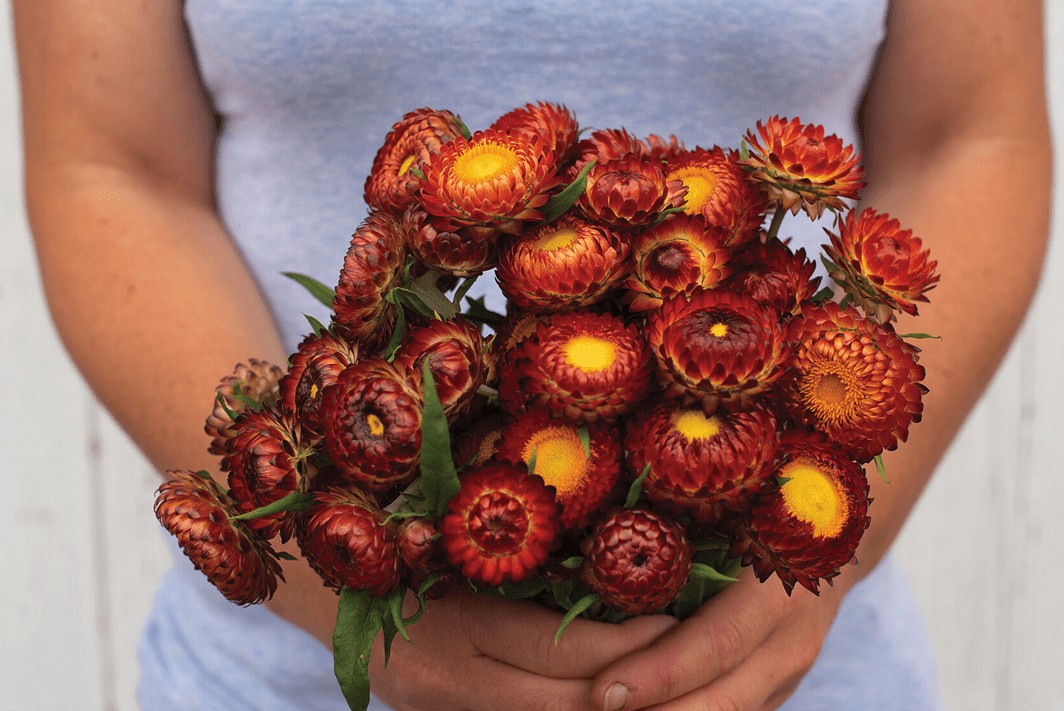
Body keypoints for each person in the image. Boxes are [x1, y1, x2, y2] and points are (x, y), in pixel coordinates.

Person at [12, 1, 1050, 709]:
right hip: (275, 670)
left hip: (795, 675)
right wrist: (342, 589)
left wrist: (827, 558)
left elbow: (968, 136)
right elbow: (114, 166)